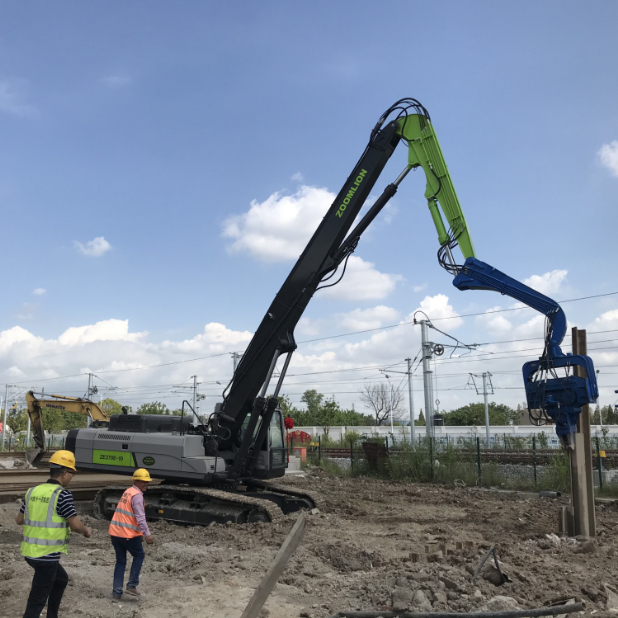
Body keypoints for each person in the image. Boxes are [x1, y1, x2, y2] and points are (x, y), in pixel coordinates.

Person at [16, 450, 92, 618]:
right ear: (64, 473)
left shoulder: (32, 491)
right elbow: (75, 525)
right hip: (46, 555)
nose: (72, 477)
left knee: (61, 579)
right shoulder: (62, 494)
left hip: (30, 552)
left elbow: (19, 520)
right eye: (72, 473)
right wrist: (86, 530)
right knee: (36, 602)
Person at [108, 468, 154, 600]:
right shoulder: (137, 496)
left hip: (115, 533)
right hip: (128, 534)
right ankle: (132, 585)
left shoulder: (128, 492)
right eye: (143, 481)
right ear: (136, 481)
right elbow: (140, 517)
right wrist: (147, 534)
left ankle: (116, 592)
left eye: (147, 482)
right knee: (139, 555)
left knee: (120, 562)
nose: (146, 484)